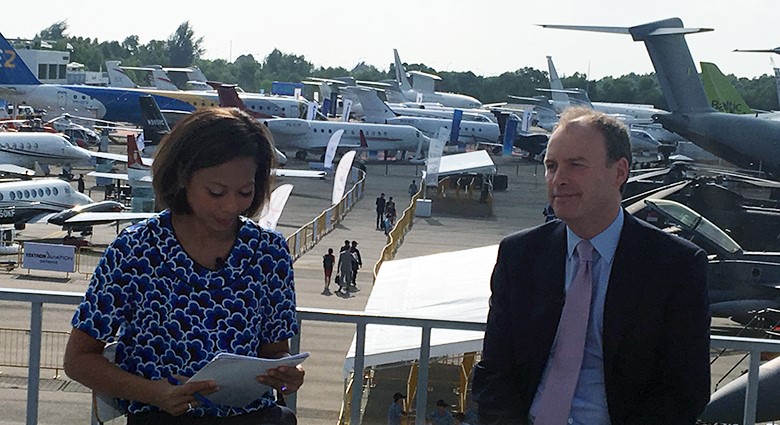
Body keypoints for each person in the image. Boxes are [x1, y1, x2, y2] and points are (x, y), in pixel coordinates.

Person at [63, 108, 304, 425]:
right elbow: (78, 360)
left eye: (245, 192)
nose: (231, 206)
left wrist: (289, 377)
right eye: (216, 192)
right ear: (181, 177)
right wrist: (153, 393)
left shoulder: (269, 252)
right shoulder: (136, 250)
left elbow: (276, 353)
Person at [472, 107, 710, 424]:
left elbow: (684, 390)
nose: (559, 179)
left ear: (619, 172)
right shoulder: (520, 255)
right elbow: (494, 371)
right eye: (551, 166)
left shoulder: (674, 265)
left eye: (576, 165)